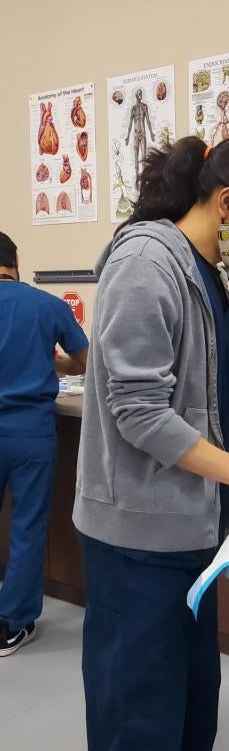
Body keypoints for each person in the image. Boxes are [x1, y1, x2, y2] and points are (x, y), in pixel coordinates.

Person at [73, 134, 229, 751]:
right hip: (137, 539)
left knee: (189, 709)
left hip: (192, 531)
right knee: (140, 719)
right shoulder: (146, 265)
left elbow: (200, 396)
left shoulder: (204, 275)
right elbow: (140, 413)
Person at [0, 231, 88, 656]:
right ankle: (12, 625)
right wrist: (52, 360)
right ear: (15, 261)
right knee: (27, 527)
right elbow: (88, 361)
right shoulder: (45, 305)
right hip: (30, 431)